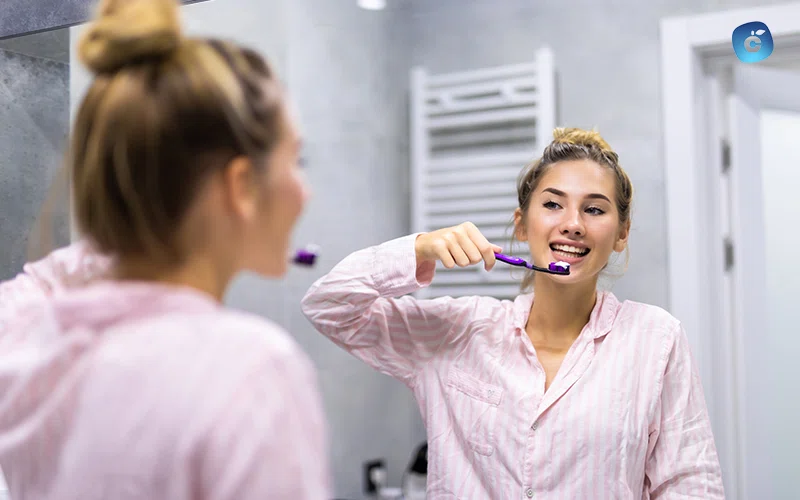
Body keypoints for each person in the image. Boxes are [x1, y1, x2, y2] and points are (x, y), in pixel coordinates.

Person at [0, 0, 330, 498]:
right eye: (295, 160)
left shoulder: (33, 346)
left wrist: (142, 226)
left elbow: (35, 288)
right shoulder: (249, 370)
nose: (305, 191)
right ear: (240, 185)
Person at [301, 128, 725, 499]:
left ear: (621, 233)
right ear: (522, 225)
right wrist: (418, 249)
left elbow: (689, 485)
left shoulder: (656, 340)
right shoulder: (457, 331)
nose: (573, 223)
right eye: (553, 205)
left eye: (594, 209)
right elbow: (329, 305)